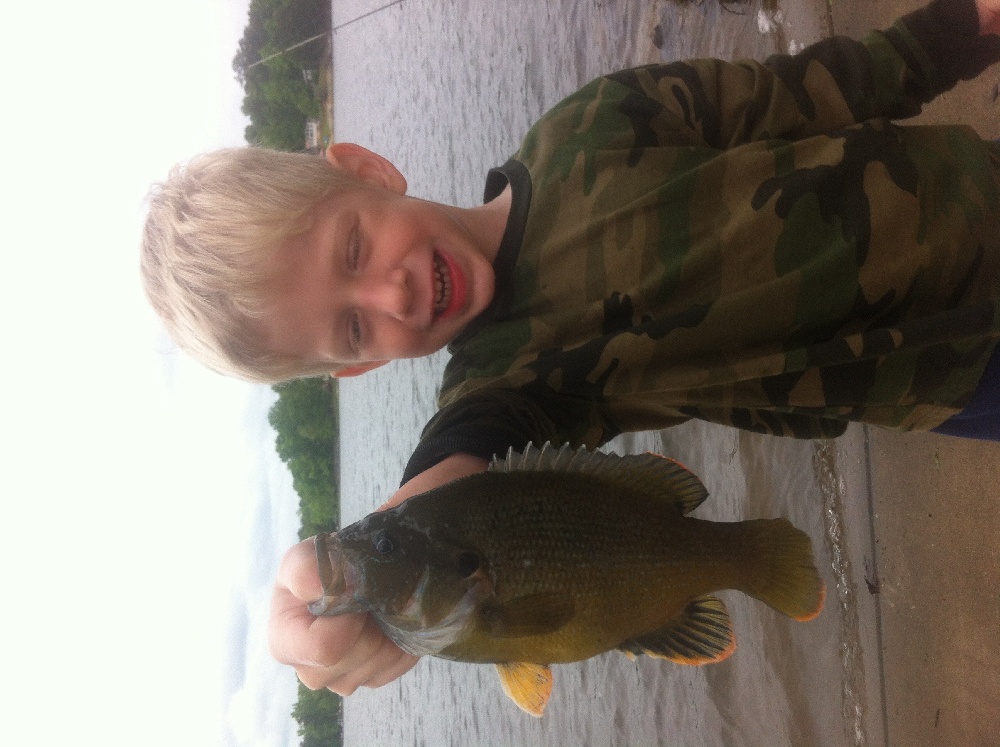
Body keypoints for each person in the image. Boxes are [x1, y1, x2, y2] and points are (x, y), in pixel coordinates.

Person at [142, 0, 1000, 696]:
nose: (391, 292)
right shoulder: (505, 380)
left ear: (368, 170)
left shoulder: (588, 126)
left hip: (978, 195)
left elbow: (803, 92)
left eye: (355, 251)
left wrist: (962, 29)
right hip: (948, 376)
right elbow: (458, 471)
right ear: (357, 367)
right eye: (354, 328)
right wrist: (322, 577)